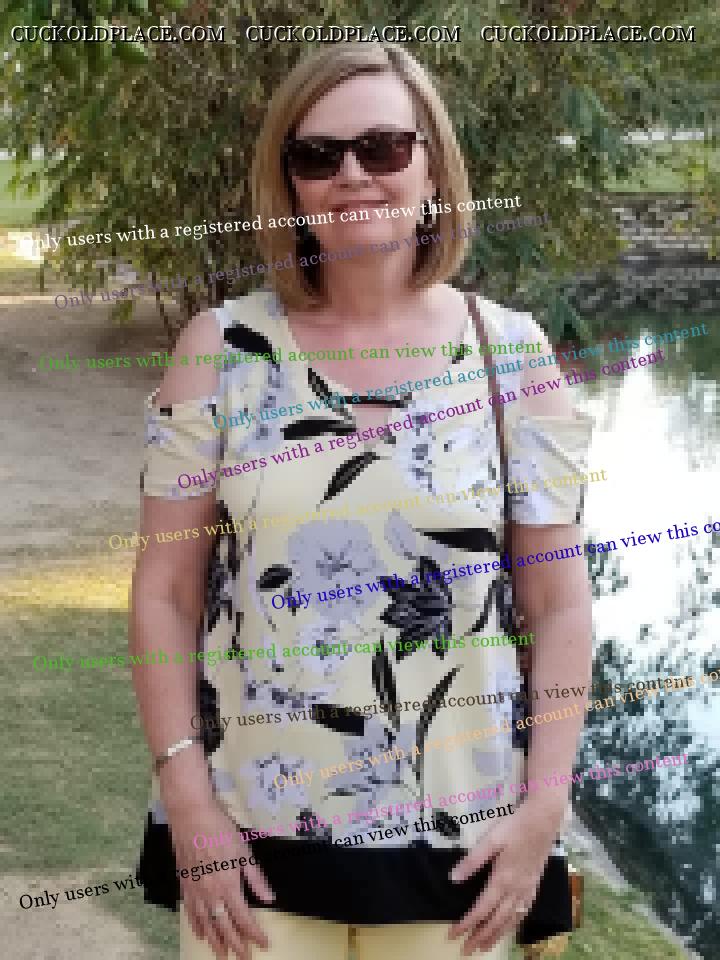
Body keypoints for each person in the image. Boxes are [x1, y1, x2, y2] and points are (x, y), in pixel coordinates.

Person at [131, 42, 592, 960]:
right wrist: (187, 800)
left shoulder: (511, 355)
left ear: (433, 167)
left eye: (383, 147)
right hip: (250, 842)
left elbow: (559, 603)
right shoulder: (219, 350)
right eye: (319, 155)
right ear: (290, 184)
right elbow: (166, 592)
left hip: (461, 847)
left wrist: (545, 806)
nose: (352, 176)